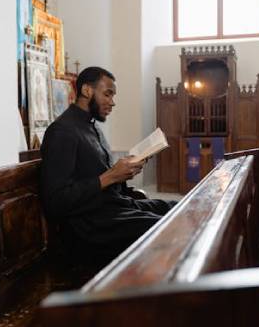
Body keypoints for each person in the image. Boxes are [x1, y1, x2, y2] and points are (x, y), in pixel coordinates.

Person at [39, 66, 177, 266]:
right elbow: (55, 201)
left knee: (176, 208)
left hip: (115, 208)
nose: (112, 102)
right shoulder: (62, 131)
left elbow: (100, 176)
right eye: (107, 94)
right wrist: (111, 176)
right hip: (89, 225)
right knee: (168, 227)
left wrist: (125, 171)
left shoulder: (92, 127)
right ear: (87, 91)